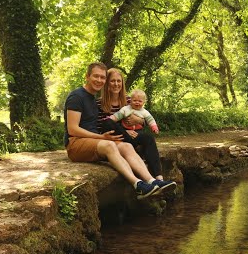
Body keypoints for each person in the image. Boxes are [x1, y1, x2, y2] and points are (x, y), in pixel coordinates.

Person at [64, 62, 176, 199]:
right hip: (76, 143)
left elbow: (142, 116)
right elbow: (72, 129)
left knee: (127, 146)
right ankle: (138, 185)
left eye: (102, 77)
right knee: (110, 144)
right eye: (96, 76)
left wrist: (139, 122)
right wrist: (102, 137)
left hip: (93, 140)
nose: (99, 80)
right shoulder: (77, 96)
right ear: (87, 76)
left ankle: (153, 181)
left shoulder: (91, 98)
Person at [96, 68, 166, 182]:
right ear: (107, 83)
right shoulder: (99, 103)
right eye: (112, 81)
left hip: (132, 137)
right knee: (108, 122)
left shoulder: (130, 100)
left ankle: (159, 177)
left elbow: (145, 117)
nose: (116, 84)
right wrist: (124, 131)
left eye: (119, 81)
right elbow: (101, 126)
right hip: (116, 139)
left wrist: (139, 121)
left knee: (148, 138)